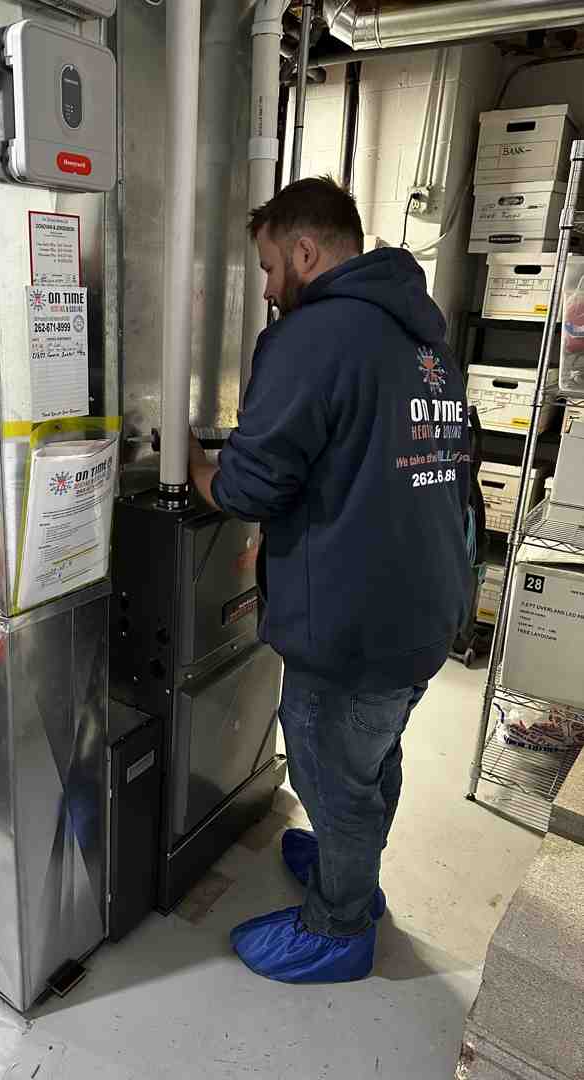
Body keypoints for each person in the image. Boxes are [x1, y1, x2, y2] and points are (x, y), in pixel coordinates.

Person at [187, 176, 471, 984]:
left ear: (307, 251)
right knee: (372, 759)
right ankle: (354, 871)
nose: (271, 289)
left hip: (351, 628)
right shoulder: (424, 342)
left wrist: (198, 465)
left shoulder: (313, 337)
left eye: (273, 267)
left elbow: (249, 487)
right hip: (424, 614)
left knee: (329, 768)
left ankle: (341, 925)